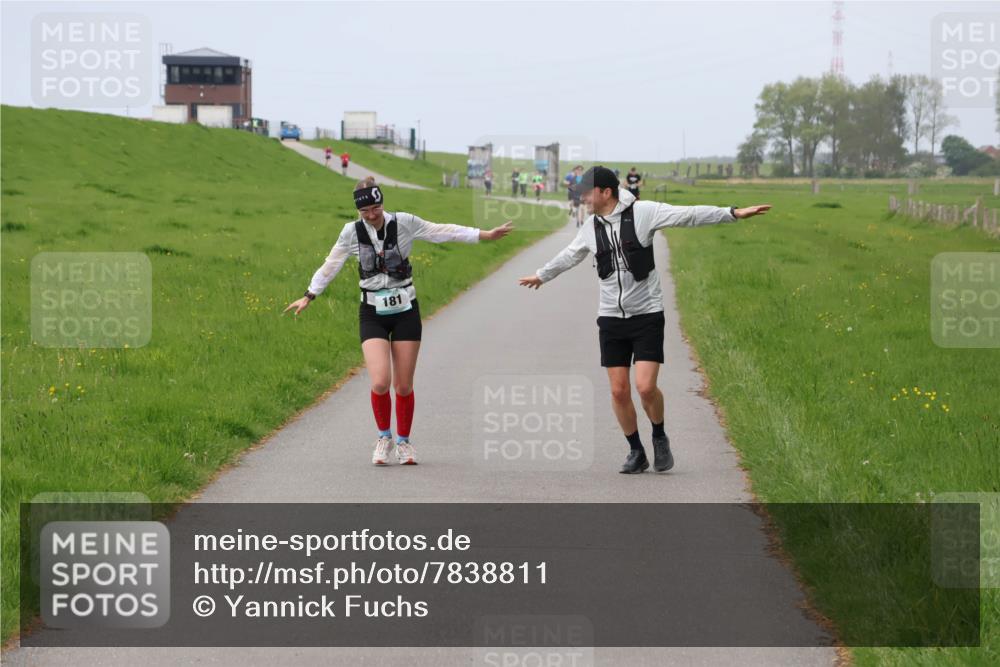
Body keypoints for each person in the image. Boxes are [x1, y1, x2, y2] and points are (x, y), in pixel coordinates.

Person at [517, 166, 770, 474]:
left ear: (605, 192)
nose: (581, 198)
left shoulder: (643, 213)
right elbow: (570, 255)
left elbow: (687, 215)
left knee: (646, 387)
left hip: (647, 314)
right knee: (619, 391)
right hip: (611, 318)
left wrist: (732, 213)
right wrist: (542, 275)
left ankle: (659, 435)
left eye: (586, 193)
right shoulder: (590, 227)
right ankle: (636, 451)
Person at [285, 177, 514, 465]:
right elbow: (331, 264)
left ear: (383, 203)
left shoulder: (405, 222)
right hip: (372, 312)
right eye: (365, 211)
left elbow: (442, 231)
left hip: (406, 310)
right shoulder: (351, 233)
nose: (372, 215)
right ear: (358, 211)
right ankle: (384, 438)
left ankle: (404, 442)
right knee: (381, 381)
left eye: (376, 208)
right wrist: (310, 294)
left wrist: (484, 235)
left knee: (403, 386)